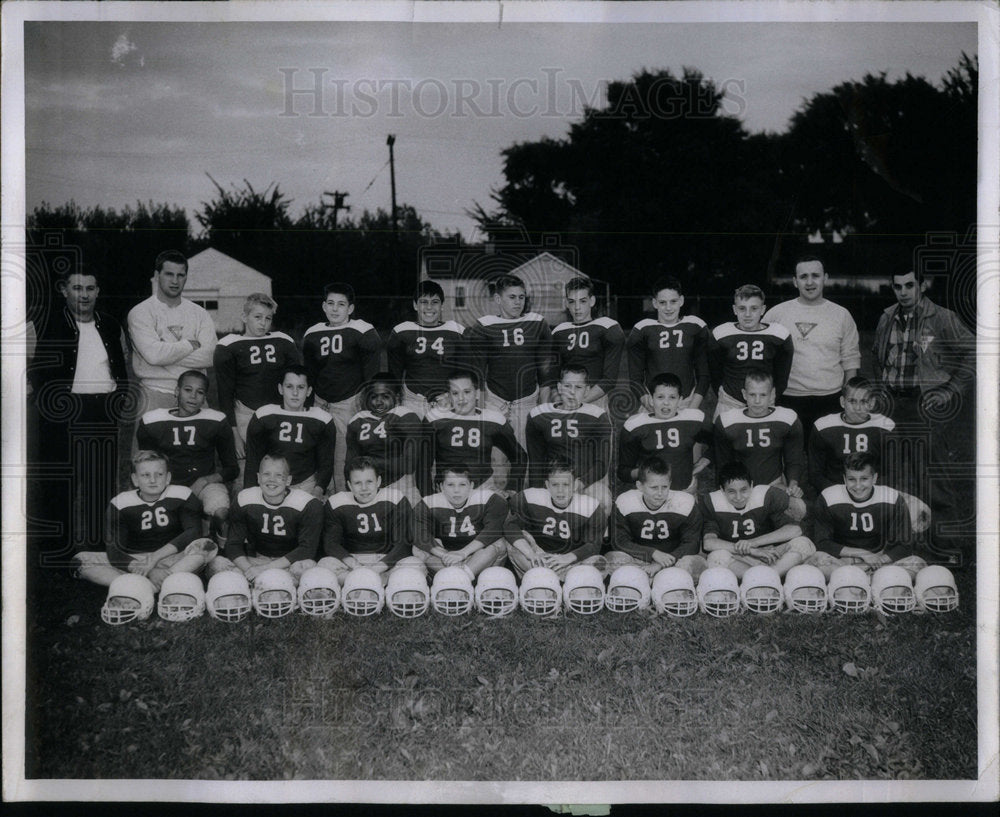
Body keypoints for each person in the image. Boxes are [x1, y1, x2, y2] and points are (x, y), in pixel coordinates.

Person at [29, 266, 131, 555]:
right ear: (64, 290)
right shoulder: (44, 323)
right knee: (60, 483)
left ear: (97, 291)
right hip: (62, 413)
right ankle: (57, 550)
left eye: (90, 288)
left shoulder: (110, 324)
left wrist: (118, 400)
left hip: (102, 411)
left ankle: (98, 549)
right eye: (77, 288)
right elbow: (22, 367)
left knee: (100, 483)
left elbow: (120, 365)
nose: (84, 295)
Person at [872, 268, 975, 555]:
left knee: (932, 477)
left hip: (924, 404)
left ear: (923, 285)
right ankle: (890, 546)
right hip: (892, 404)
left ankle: (948, 548)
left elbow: (973, 351)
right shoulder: (887, 316)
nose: (903, 291)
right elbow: (876, 355)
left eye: (909, 285)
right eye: (897, 286)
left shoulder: (942, 317)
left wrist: (949, 389)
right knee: (889, 476)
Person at [73, 450, 215, 589]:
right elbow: (114, 551)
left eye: (159, 474)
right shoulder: (120, 503)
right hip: (136, 560)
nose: (153, 480)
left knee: (205, 546)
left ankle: (137, 587)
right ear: (135, 479)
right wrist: (150, 570)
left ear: (168, 477)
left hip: (175, 558)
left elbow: (193, 532)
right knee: (81, 560)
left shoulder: (182, 494)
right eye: (145, 475)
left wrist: (154, 558)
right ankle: (158, 583)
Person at [764, 257, 860, 442]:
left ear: (825, 278)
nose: (809, 282)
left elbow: (851, 360)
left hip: (830, 399)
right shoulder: (776, 314)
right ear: (795, 281)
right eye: (803, 276)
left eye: (815, 276)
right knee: (789, 459)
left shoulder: (841, 315)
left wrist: (850, 399)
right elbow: (763, 358)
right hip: (788, 398)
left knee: (829, 461)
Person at [135, 370, 238, 542]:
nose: (193, 397)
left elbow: (232, 469)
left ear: (205, 397)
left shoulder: (216, 420)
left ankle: (223, 550)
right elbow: (148, 466)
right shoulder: (153, 421)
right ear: (176, 391)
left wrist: (205, 480)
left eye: (200, 392)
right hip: (167, 484)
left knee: (222, 513)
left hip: (204, 484)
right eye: (188, 390)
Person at [301, 282, 382, 492]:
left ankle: (343, 502)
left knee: (343, 458)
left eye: (341, 304)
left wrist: (366, 407)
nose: (335, 309)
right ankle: (320, 500)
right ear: (323, 306)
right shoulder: (312, 334)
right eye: (331, 303)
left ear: (351, 308)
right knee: (316, 454)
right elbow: (309, 374)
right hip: (320, 401)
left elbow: (371, 376)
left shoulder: (362, 331)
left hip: (349, 401)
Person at [213, 293, 300, 483]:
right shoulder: (229, 345)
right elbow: (225, 393)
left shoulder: (283, 341)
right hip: (246, 413)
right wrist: (234, 433)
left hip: (279, 414)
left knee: (280, 466)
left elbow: (297, 381)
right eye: (257, 317)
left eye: (268, 318)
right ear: (244, 317)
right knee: (246, 472)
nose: (263, 323)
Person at [466, 273, 556, 449]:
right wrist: (482, 407)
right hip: (494, 400)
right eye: (512, 297)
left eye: (521, 297)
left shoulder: (537, 323)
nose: (518, 302)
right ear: (498, 299)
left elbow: (546, 370)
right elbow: (478, 371)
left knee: (526, 456)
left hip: (527, 398)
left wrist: (543, 406)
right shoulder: (484, 326)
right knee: (495, 459)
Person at [806, 453, 927, 580]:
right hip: (842, 561)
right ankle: (872, 581)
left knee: (917, 563)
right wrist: (862, 554)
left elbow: (904, 546)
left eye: (864, 479)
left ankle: (863, 580)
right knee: (816, 560)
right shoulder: (829, 497)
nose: (858, 486)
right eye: (852, 479)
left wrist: (878, 561)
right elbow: (822, 542)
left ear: (874, 478)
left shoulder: (892, 498)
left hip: (880, 561)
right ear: (844, 478)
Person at [127, 250, 217, 415]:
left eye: (180, 275)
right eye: (169, 274)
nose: (175, 281)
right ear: (157, 275)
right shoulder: (140, 312)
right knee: (151, 441)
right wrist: (189, 345)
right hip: (154, 392)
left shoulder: (200, 313)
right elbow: (153, 355)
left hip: (194, 395)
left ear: (186, 277)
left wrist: (164, 351)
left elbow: (211, 355)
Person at [208, 454, 323, 582]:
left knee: (308, 566)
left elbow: (307, 549)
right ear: (258, 477)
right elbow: (233, 544)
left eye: (279, 475)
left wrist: (264, 569)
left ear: (288, 480)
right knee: (217, 564)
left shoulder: (307, 504)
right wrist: (249, 570)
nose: (271, 480)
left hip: (291, 564)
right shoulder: (244, 499)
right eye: (266, 474)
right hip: (257, 561)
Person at [713, 369, 805, 518]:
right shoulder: (728, 421)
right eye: (752, 395)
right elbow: (723, 463)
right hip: (740, 488)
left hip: (774, 484)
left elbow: (793, 459)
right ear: (744, 394)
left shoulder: (786, 419)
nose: (757, 401)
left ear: (772, 394)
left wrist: (793, 483)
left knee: (799, 508)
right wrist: (725, 490)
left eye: (763, 395)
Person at [702, 462, 815, 579]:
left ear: (751, 485)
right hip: (739, 557)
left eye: (744, 490)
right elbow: (708, 543)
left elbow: (795, 530)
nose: (739, 497)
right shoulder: (713, 502)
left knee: (803, 543)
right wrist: (751, 550)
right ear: (722, 490)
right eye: (731, 491)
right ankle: (760, 579)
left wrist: (753, 543)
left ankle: (767, 576)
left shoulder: (766, 496)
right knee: (715, 557)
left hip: (771, 554)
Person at [525, 364, 613, 511]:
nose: (572, 393)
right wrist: (539, 491)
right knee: (529, 501)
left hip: (584, 483)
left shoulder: (597, 416)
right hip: (553, 484)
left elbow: (602, 463)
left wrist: (581, 483)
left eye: (578, 388)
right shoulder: (539, 415)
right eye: (567, 386)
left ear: (587, 390)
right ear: (559, 388)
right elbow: (536, 462)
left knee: (603, 501)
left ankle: (598, 534)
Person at [423, 369, 526, 495]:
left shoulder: (493, 420)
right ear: (449, 396)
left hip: (483, 489)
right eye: (455, 393)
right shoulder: (435, 419)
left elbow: (519, 456)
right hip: (447, 490)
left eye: (467, 392)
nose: (461, 398)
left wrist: (513, 488)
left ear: (477, 393)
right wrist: (427, 495)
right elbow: (422, 463)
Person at [503, 458, 607, 580]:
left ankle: (544, 578)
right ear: (547, 485)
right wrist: (530, 553)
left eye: (566, 484)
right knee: (514, 543)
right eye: (555, 484)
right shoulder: (530, 497)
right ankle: (558, 579)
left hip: (571, 561)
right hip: (538, 555)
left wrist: (567, 558)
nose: (560, 491)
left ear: (575, 485)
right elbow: (509, 526)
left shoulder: (590, 506)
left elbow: (594, 545)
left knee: (599, 562)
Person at [607, 457, 707, 579]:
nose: (660, 493)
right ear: (640, 486)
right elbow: (619, 541)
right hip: (638, 559)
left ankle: (658, 581)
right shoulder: (625, 502)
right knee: (612, 558)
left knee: (698, 563)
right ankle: (640, 581)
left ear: (670, 484)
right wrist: (652, 554)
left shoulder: (685, 503)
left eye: (664, 487)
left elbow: (692, 543)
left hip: (674, 559)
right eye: (654, 487)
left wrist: (664, 562)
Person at [319, 456, 416, 583]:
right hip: (352, 561)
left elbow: (403, 544)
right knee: (324, 565)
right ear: (349, 485)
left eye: (369, 481)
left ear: (378, 481)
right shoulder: (337, 503)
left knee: (414, 565)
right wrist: (356, 566)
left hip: (387, 561)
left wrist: (377, 568)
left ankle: (362, 583)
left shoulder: (395, 499)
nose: (364, 488)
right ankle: (373, 583)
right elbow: (331, 543)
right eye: (357, 483)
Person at [244, 365, 336, 498]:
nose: (295, 393)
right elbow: (253, 460)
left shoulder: (322, 419)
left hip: (306, 484)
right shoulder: (264, 415)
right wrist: (250, 494)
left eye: (300, 387)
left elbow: (326, 463)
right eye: (289, 387)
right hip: (271, 482)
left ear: (309, 391)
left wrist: (317, 492)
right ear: (280, 389)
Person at [617, 372, 711, 495]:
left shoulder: (693, 420)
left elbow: (720, 442)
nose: (666, 403)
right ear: (651, 399)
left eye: (672, 397)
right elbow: (623, 472)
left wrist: (705, 461)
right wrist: (645, 473)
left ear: (680, 400)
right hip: (651, 493)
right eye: (660, 397)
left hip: (684, 490)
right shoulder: (635, 426)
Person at [708, 284, 793, 417]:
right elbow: (715, 372)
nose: (747, 314)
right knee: (724, 435)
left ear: (763, 309)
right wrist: (725, 392)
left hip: (764, 402)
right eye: (742, 308)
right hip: (730, 402)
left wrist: (773, 395)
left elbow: (782, 374)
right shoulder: (721, 334)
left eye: (754, 308)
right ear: (734, 309)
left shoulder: (778, 335)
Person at [626, 276, 710, 411]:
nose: (668, 308)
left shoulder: (695, 327)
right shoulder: (642, 329)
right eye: (662, 302)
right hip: (653, 404)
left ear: (681, 301)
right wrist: (652, 407)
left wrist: (692, 407)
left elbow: (704, 375)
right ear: (654, 303)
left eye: (673, 301)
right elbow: (635, 378)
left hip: (686, 402)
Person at [386, 280, 467, 418]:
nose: (429, 307)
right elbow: (395, 372)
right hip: (412, 400)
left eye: (435, 302)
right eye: (424, 302)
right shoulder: (402, 331)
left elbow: (464, 372)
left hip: (446, 400)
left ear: (442, 306)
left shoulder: (456, 331)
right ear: (415, 305)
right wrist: (396, 398)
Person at [412, 464, 509, 576]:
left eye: (462, 484)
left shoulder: (489, 498)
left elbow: (493, 530)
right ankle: (458, 574)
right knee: (418, 548)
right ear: (441, 487)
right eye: (450, 485)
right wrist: (444, 555)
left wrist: (463, 553)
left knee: (499, 543)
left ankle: (460, 577)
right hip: (446, 556)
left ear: (471, 486)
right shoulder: (428, 503)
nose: (456, 490)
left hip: (478, 554)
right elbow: (419, 535)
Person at [344, 373, 426, 506]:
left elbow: (408, 465)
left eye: (385, 396)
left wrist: (370, 462)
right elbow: (349, 464)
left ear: (397, 397)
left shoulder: (406, 416)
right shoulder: (357, 420)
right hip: (368, 485)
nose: (379, 402)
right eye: (374, 396)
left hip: (400, 482)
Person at [809, 377, 896, 494]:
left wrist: (869, 493)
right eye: (852, 401)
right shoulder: (823, 427)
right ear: (842, 402)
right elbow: (815, 474)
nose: (858, 408)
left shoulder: (886, 427)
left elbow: (894, 472)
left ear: (872, 403)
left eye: (864, 402)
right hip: (835, 492)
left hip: (874, 492)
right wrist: (838, 494)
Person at [551, 276, 625, 409]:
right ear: (566, 303)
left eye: (583, 301)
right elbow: (552, 376)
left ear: (592, 301)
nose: (577, 307)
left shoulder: (607, 327)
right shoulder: (559, 332)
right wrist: (560, 399)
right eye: (572, 302)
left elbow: (609, 379)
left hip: (595, 399)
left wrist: (579, 401)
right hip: (565, 399)